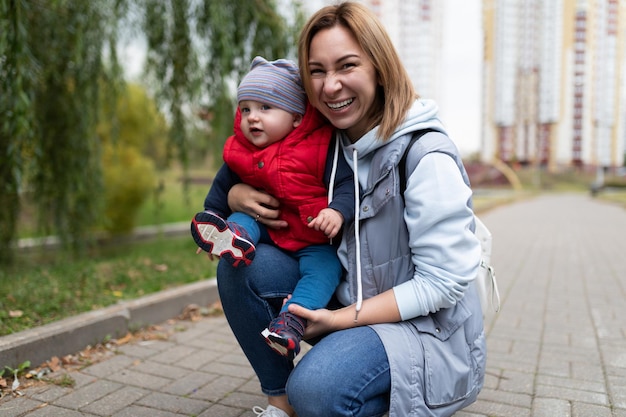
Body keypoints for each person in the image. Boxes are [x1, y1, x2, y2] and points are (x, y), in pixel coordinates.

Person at [218, 3, 487, 417]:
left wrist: (343, 319)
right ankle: (281, 402)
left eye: (346, 66)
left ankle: (350, 391)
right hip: (352, 313)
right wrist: (236, 195)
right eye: (317, 71)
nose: (330, 86)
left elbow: (444, 283)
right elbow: (267, 171)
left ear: (379, 67)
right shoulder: (333, 144)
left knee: (319, 391)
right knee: (241, 265)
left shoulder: (425, 156)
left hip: (423, 333)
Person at [191, 56, 355, 361]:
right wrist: (214, 214)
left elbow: (347, 183)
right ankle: (229, 237)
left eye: (266, 108)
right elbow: (222, 185)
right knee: (243, 215)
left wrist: (337, 212)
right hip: (266, 230)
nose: (253, 117)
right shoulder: (243, 151)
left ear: (295, 117)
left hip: (312, 239)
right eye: (246, 109)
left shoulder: (318, 147)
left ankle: (292, 321)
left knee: (325, 270)